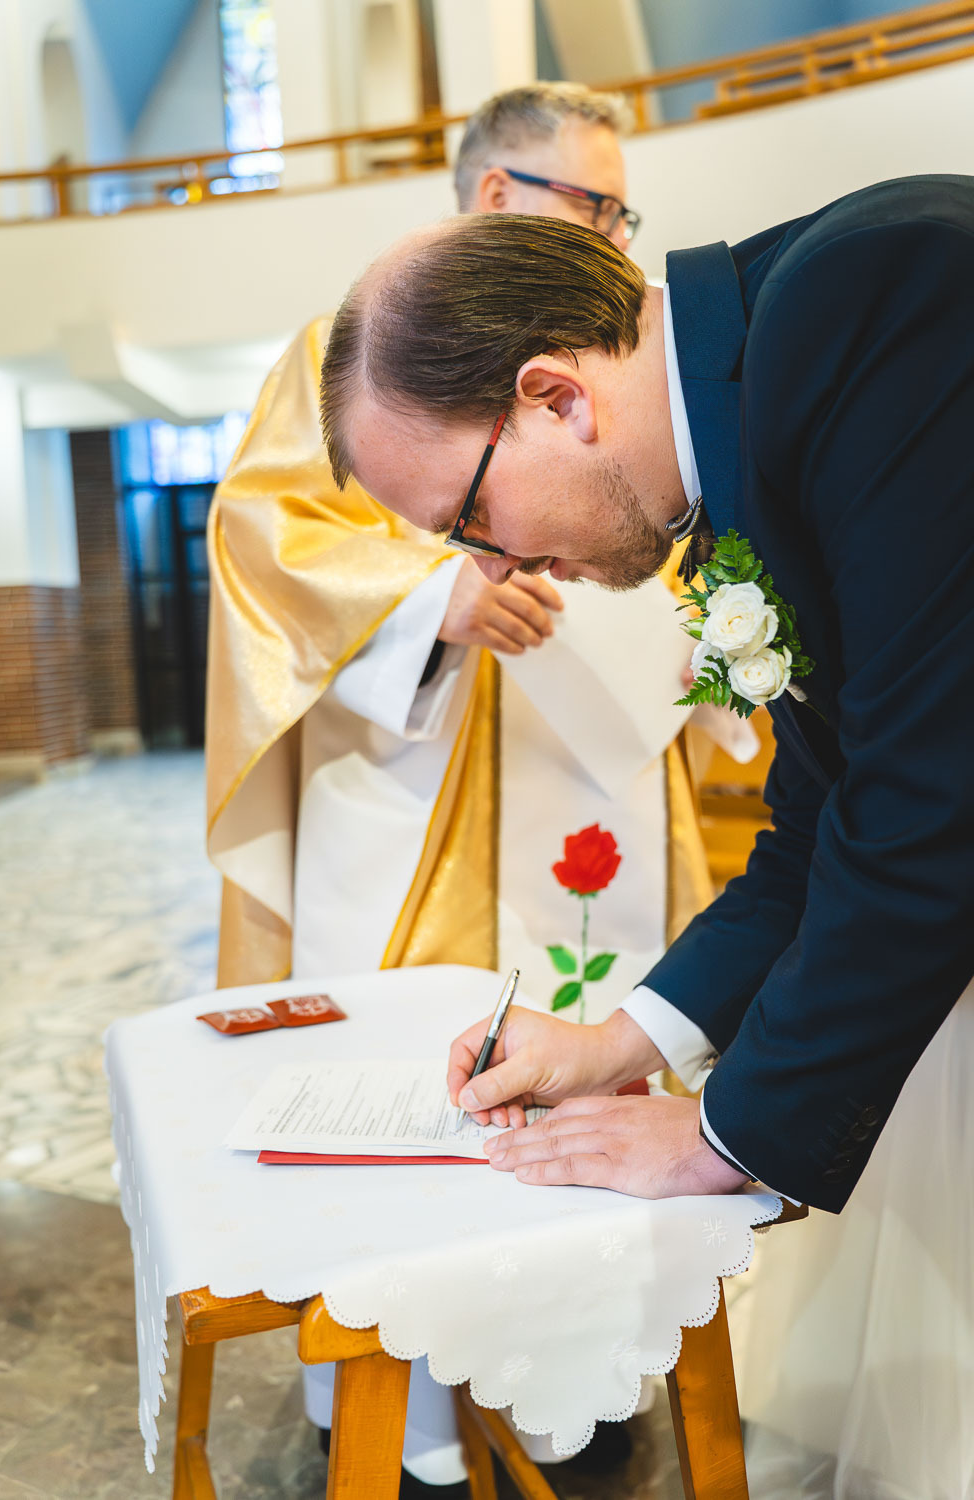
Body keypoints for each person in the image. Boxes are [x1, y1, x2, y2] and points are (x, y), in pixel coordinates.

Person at [318, 179, 974, 1496]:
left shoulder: (882, 304)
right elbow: (824, 815)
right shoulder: (755, 404)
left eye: (468, 522)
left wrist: (722, 1135)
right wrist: (618, 1044)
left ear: (554, 396)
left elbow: (932, 797)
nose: (493, 571)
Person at [206, 84, 748, 1494]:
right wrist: (430, 595)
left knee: (602, 1048)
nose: (620, 233)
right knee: (418, 1088)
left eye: (624, 209)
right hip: (416, 777)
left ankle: (593, 1381)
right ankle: (409, 1419)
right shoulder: (353, 350)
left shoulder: (619, 359)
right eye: (597, 204)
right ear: (500, 194)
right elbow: (263, 532)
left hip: (595, 768)